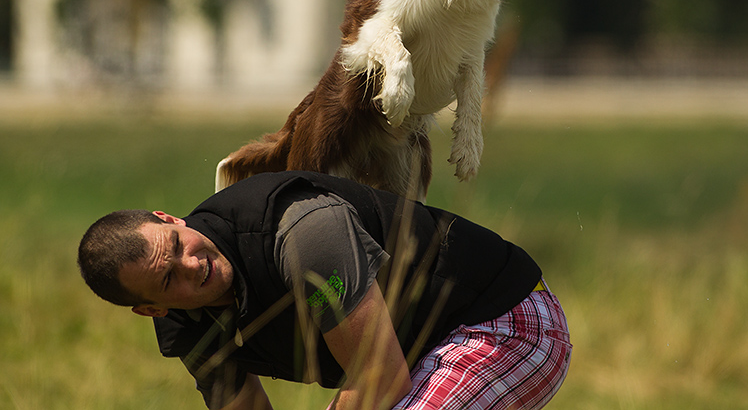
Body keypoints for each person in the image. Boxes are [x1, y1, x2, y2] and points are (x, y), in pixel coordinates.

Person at [77, 170, 571, 410]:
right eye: (170, 280)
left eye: (178, 243)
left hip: (504, 323)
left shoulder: (302, 232)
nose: (193, 265)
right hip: (420, 359)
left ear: (168, 218)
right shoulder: (185, 328)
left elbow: (379, 379)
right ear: (152, 310)